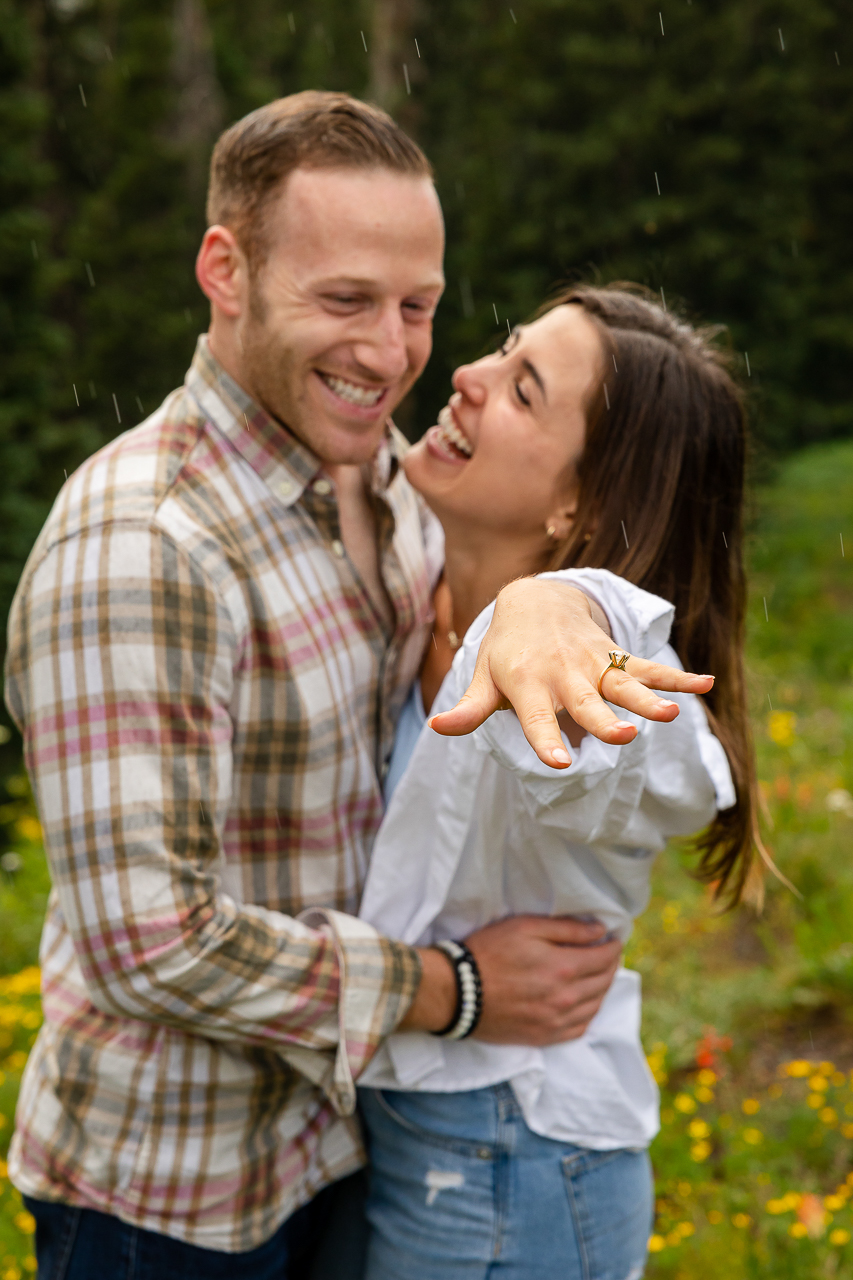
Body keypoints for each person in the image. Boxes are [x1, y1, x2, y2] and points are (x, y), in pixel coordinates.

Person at [4, 94, 705, 1278]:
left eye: (418, 305)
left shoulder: (382, 480)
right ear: (224, 270)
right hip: (172, 1194)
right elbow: (147, 943)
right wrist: (451, 988)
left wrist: (561, 597)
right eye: (343, 301)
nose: (390, 352)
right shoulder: (142, 543)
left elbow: (647, 736)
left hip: (342, 1144)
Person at [358, 285, 758, 1280]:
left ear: (579, 503)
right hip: (420, 1142)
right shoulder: (418, 584)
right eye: (500, 350)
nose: (467, 375)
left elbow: (639, 757)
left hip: (514, 1165)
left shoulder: (594, 678)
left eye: (523, 389)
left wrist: (558, 603)